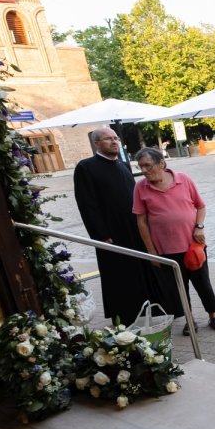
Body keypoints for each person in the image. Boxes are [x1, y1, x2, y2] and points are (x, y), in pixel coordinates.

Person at [74, 128, 172, 325]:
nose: (113, 142)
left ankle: (148, 308)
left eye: (115, 138)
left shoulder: (123, 165)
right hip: (111, 233)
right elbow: (87, 205)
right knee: (119, 274)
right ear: (96, 144)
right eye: (107, 139)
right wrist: (101, 235)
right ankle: (124, 315)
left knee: (141, 269)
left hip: (134, 228)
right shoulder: (86, 167)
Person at [132, 148, 215, 335]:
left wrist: (199, 226)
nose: (144, 170)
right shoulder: (140, 188)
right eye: (141, 166)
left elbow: (200, 206)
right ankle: (189, 321)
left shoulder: (183, 179)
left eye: (148, 165)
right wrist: (151, 252)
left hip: (192, 246)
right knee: (178, 289)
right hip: (166, 250)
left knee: (203, 283)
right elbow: (141, 223)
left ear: (161, 164)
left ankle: (213, 315)